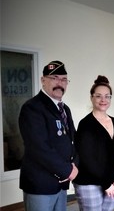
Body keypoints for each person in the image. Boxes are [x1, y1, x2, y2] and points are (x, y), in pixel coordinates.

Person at [18, 60, 78, 211]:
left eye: (64, 79)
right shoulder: (32, 108)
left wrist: (75, 165)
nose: (60, 83)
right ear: (43, 80)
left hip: (61, 182)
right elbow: (39, 147)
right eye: (54, 78)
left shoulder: (65, 109)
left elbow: (73, 141)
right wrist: (68, 170)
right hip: (40, 183)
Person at [73, 75, 114, 211]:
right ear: (92, 98)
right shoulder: (85, 124)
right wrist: (107, 184)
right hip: (89, 182)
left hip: (113, 182)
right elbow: (87, 159)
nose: (103, 100)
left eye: (107, 96)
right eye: (98, 96)